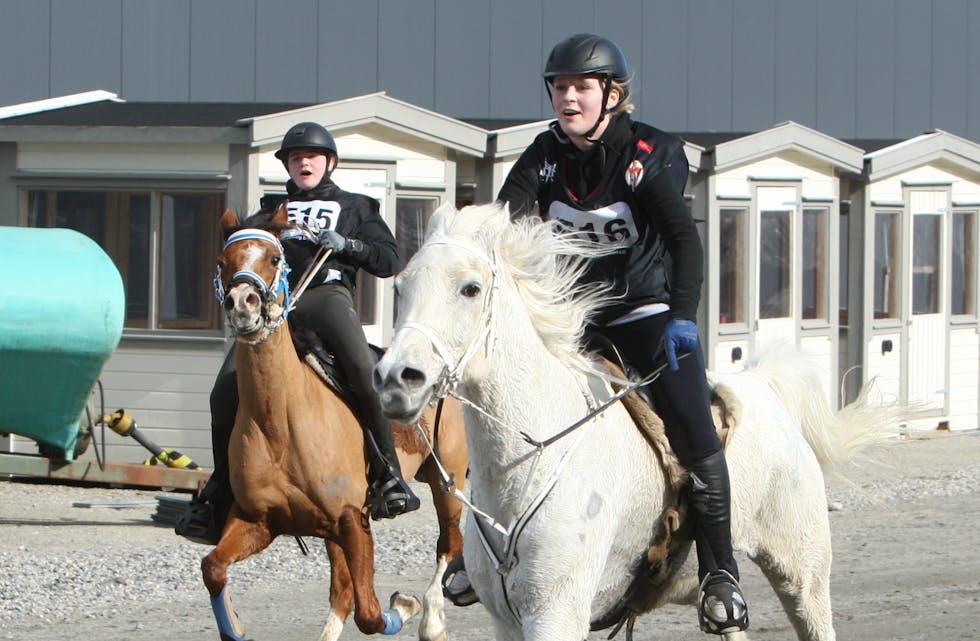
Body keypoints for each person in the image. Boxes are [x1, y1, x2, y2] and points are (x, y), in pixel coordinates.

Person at [444, 34, 749, 635]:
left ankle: (721, 572)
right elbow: (504, 225)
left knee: (691, 422)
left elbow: (684, 242)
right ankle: (477, 553)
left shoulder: (650, 152)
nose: (568, 97)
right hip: (574, 323)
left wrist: (682, 315)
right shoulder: (543, 155)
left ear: (612, 93)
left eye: (581, 86)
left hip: (645, 317)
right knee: (508, 413)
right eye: (559, 87)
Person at [177, 121, 420, 544]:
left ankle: (388, 477)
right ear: (288, 166)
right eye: (295, 157)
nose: (303, 162)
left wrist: (348, 245)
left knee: (364, 371)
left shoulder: (356, 206)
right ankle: (219, 491)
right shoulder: (268, 211)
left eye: (311, 156)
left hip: (325, 297)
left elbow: (389, 260)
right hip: (276, 309)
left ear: (329, 163)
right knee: (223, 391)